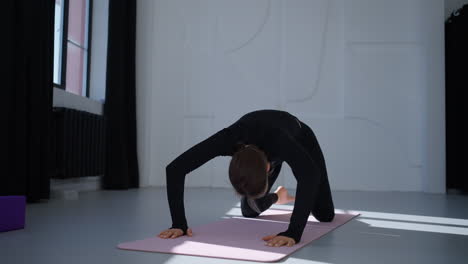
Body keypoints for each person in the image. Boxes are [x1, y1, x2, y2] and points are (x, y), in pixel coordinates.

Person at [158, 109, 335, 247]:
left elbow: (310, 175)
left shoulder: (281, 142)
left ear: (268, 169)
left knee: (325, 215)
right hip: (266, 149)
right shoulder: (227, 140)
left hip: (300, 137)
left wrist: (293, 232)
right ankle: (279, 197)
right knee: (250, 211)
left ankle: (298, 200)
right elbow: (175, 169)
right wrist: (178, 224)